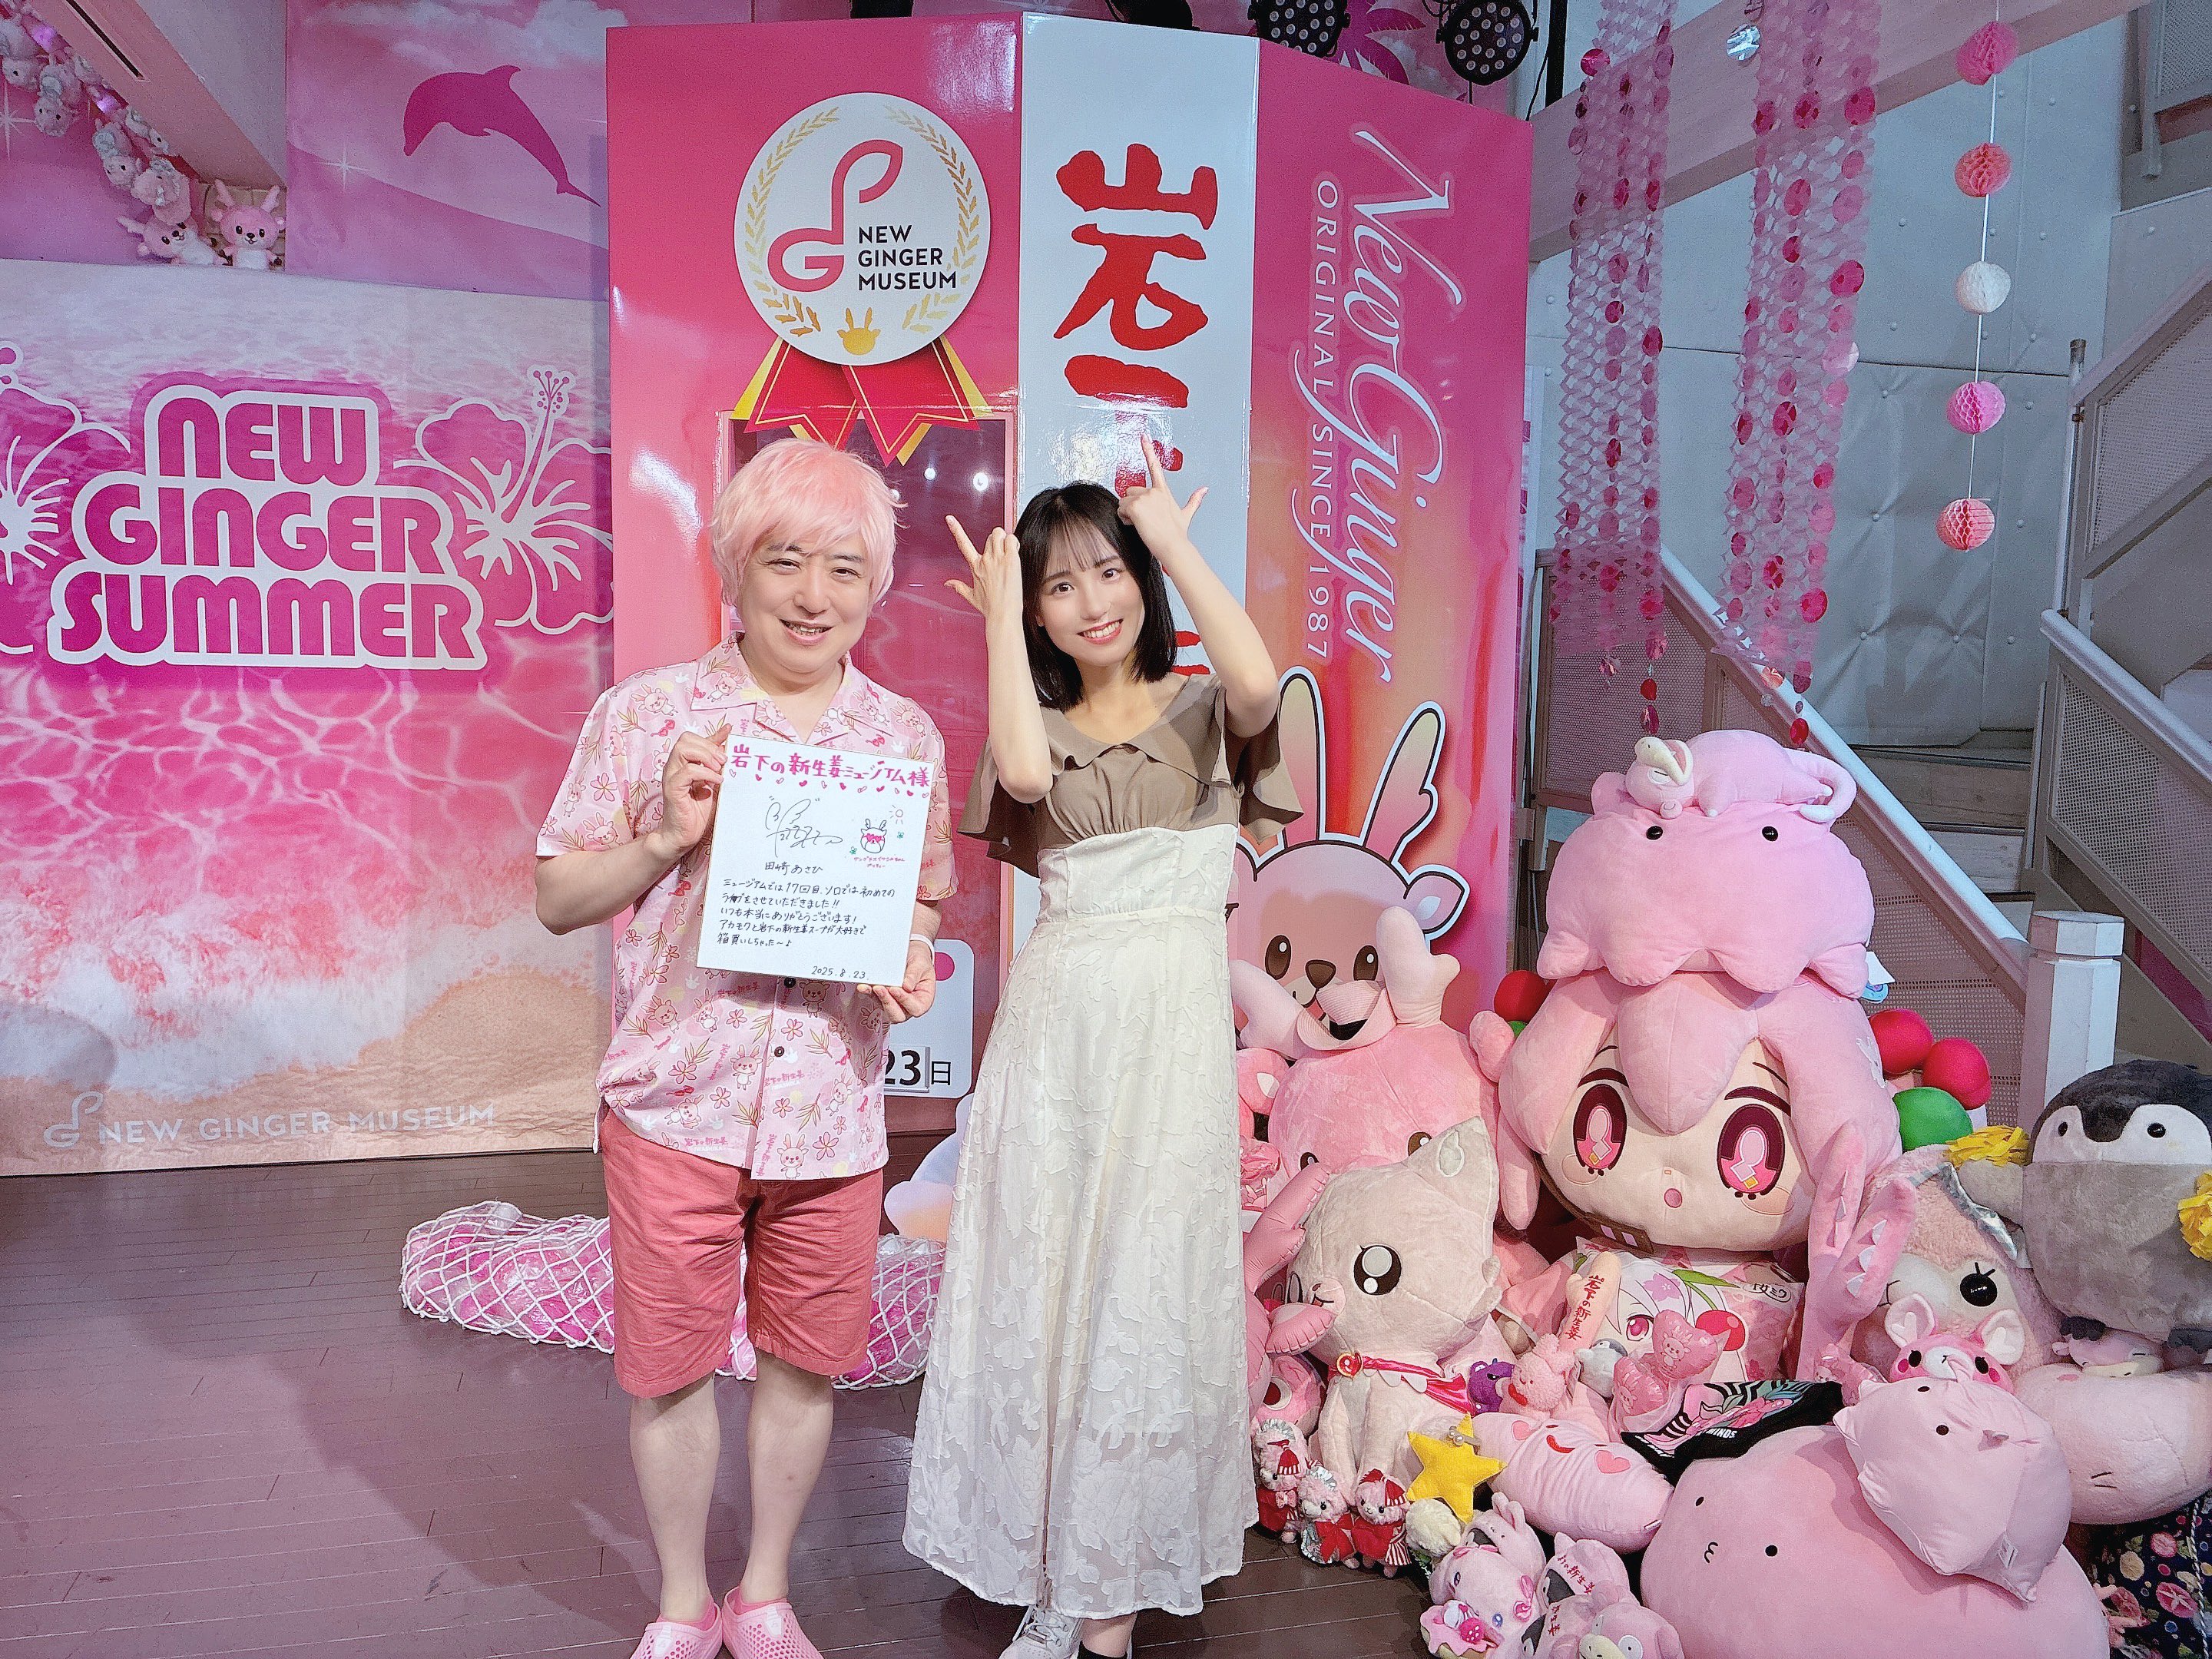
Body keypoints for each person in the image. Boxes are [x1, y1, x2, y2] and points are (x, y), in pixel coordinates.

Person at [535, 437, 955, 1659]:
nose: (813, 595)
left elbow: (921, 901)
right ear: (734, 567)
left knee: (804, 1367)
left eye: (844, 568)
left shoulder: (903, 738)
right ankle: (682, 1601)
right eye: (785, 561)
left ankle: (764, 1592)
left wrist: (910, 957)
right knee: (668, 1370)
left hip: (832, 1112)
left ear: (876, 587)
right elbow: (559, 897)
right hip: (676, 1103)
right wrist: (665, 838)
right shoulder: (651, 715)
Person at [903, 439, 1299, 1659]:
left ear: (1143, 578)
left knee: (1143, 1287)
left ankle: (1107, 1592)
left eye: (1109, 572)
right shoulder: (1039, 724)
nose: (1091, 603)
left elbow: (1259, 680)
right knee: (1046, 1282)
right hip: (1058, 1036)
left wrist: (1173, 540)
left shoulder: (1203, 713)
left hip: (1168, 1044)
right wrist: (996, 624)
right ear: (1038, 611)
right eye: (1059, 586)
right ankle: (1048, 1571)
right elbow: (1025, 771)